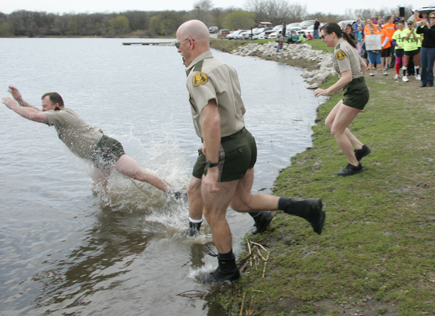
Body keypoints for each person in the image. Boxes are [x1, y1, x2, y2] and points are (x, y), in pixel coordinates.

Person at [175, 20, 325, 283]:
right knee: (241, 202)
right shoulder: (225, 66)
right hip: (245, 140)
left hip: (224, 149)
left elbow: (212, 120)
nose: (178, 50)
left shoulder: (197, 75)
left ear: (190, 42)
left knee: (214, 213)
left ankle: (227, 270)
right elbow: (240, 110)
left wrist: (212, 166)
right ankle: (306, 208)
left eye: (178, 44)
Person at [2, 87, 174, 196]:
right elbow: (35, 110)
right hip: (96, 155)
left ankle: (173, 193)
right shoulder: (56, 115)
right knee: (98, 189)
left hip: (105, 148)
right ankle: (116, 214)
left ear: (56, 106)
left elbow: (34, 115)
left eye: (45, 106)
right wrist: (20, 101)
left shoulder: (62, 115)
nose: (42, 109)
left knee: (139, 174)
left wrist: (12, 105)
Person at [316, 22, 370, 176]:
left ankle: (354, 165)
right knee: (329, 122)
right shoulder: (347, 45)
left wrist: (327, 90)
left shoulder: (340, 50)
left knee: (336, 130)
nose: (322, 39)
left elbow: (347, 77)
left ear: (333, 34)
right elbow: (364, 66)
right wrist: (358, 83)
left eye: (323, 36)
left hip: (356, 93)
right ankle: (360, 148)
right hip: (356, 90)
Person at [417, 12, 435, 87]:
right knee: (423, 65)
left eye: (433, 18)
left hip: (432, 48)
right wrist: (419, 26)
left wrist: (429, 28)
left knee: (430, 65)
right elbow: (418, 31)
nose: (432, 19)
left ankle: (430, 81)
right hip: (424, 47)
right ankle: (423, 81)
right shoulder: (426, 26)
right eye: (430, 17)